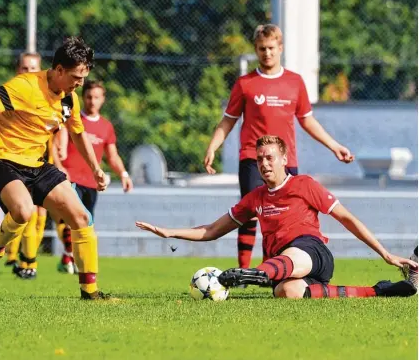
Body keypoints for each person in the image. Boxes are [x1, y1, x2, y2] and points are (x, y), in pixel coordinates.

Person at [137, 135, 417, 299]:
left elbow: (348, 219)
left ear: (284, 159)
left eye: (270, 157)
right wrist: (169, 232)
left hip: (312, 252)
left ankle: (255, 274)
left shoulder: (304, 184)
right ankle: (380, 291)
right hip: (284, 267)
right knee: (287, 293)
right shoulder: (256, 197)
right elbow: (212, 230)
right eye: (260, 159)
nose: (264, 164)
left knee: (294, 253)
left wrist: (386, 254)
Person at [0, 37, 110, 300]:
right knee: (23, 210)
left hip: (36, 164)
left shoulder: (69, 100)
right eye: (76, 77)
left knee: (81, 217)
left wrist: (95, 168)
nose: (79, 83)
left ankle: (91, 293)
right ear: (58, 70)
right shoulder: (25, 87)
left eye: (83, 77)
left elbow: (77, 134)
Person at [204, 24, 355, 270]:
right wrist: (212, 147)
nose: (267, 53)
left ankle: (269, 269)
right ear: (256, 49)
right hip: (252, 159)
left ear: (280, 48)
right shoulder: (245, 84)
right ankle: (243, 270)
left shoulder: (294, 82)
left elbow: (307, 119)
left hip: (287, 161)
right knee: (252, 211)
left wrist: (334, 146)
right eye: (262, 49)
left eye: (272, 48)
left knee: (282, 216)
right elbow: (228, 120)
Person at [54, 80, 133, 274]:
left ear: (103, 100)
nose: (92, 101)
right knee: (70, 220)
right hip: (69, 178)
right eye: (89, 97)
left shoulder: (106, 127)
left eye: (96, 97)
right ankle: (80, 267)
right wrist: (59, 164)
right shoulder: (71, 118)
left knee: (85, 226)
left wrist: (123, 174)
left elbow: (112, 155)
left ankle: (68, 257)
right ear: (83, 97)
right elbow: (57, 142)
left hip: (91, 182)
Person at [3, 51, 50, 280]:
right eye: (25, 68)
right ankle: (23, 261)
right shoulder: (11, 95)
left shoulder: (49, 97)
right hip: (14, 163)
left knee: (40, 214)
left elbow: (58, 132)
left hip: (41, 163)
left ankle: (25, 259)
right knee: (26, 212)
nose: (30, 72)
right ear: (17, 70)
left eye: (34, 68)